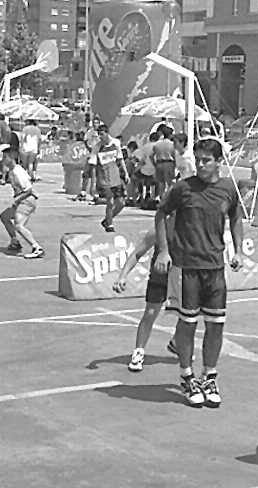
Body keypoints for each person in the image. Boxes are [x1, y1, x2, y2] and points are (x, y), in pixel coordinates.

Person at [154, 138, 243, 408]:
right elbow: (161, 214)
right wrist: (163, 251)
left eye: (207, 159)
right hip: (186, 268)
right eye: (199, 159)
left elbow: (236, 217)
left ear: (218, 162)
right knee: (187, 323)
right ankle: (187, 376)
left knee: (216, 326)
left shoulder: (228, 189)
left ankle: (209, 376)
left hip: (215, 269)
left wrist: (238, 250)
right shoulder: (183, 188)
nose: (201, 164)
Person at [114, 225, 174, 372]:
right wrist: (122, 276)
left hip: (181, 278)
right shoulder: (158, 230)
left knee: (187, 315)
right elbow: (137, 254)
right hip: (160, 276)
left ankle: (178, 343)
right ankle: (139, 351)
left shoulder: (192, 226)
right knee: (150, 314)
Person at [0, 145, 43, 258]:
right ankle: (15, 242)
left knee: (19, 225)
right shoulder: (12, 171)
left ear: (11, 157)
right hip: (21, 200)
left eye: (5, 158)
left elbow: (28, 190)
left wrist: (16, 200)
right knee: (4, 216)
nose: (3, 160)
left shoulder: (18, 171)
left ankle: (36, 247)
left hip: (27, 201)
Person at [95, 125, 128, 233]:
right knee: (110, 202)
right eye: (99, 135)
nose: (100, 137)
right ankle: (110, 224)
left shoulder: (116, 143)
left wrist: (126, 173)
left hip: (116, 177)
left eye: (102, 134)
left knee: (121, 203)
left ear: (107, 133)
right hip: (104, 178)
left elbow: (120, 159)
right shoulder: (97, 147)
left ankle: (107, 219)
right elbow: (93, 164)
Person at [152, 126, 176, 201]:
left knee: (161, 184)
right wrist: (175, 164)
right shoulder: (172, 144)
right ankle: (169, 199)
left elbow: (151, 155)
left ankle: (161, 199)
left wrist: (154, 163)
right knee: (170, 183)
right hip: (168, 163)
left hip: (159, 164)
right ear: (170, 135)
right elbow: (174, 155)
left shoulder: (157, 144)